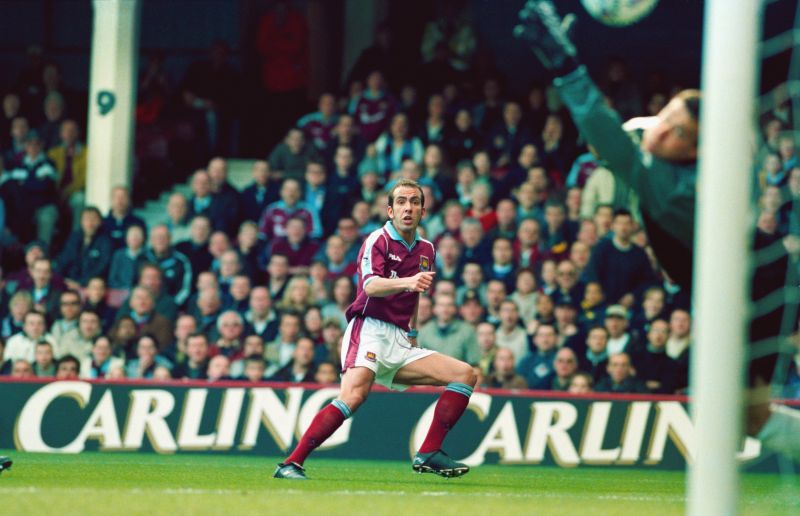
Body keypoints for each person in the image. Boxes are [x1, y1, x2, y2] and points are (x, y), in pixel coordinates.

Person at [274, 179, 477, 480]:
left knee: (465, 374)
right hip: (368, 330)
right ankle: (291, 463)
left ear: (423, 209)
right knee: (354, 396)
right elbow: (370, 285)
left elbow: (416, 294)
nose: (408, 207)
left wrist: (413, 330)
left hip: (399, 338)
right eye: (402, 202)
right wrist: (407, 282)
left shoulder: (427, 249)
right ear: (390, 209)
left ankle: (429, 452)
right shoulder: (377, 241)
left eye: (415, 202)